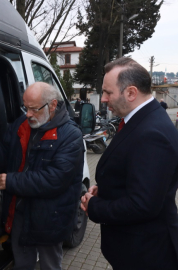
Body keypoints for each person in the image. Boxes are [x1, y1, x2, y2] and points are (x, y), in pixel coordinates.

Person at [0, 82, 84, 270]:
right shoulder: (22, 124)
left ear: (53, 105)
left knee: (50, 265)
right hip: (20, 213)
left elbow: (55, 179)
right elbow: (5, 151)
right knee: (22, 264)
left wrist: (12, 181)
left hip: (50, 218)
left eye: (33, 109)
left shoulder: (70, 135)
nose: (28, 114)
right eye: (26, 107)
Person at [81, 57, 178, 270]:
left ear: (131, 93)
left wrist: (94, 206)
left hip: (145, 255)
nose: (103, 99)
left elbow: (143, 205)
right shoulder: (140, 120)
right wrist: (106, 189)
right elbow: (135, 173)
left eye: (108, 92)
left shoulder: (152, 133)